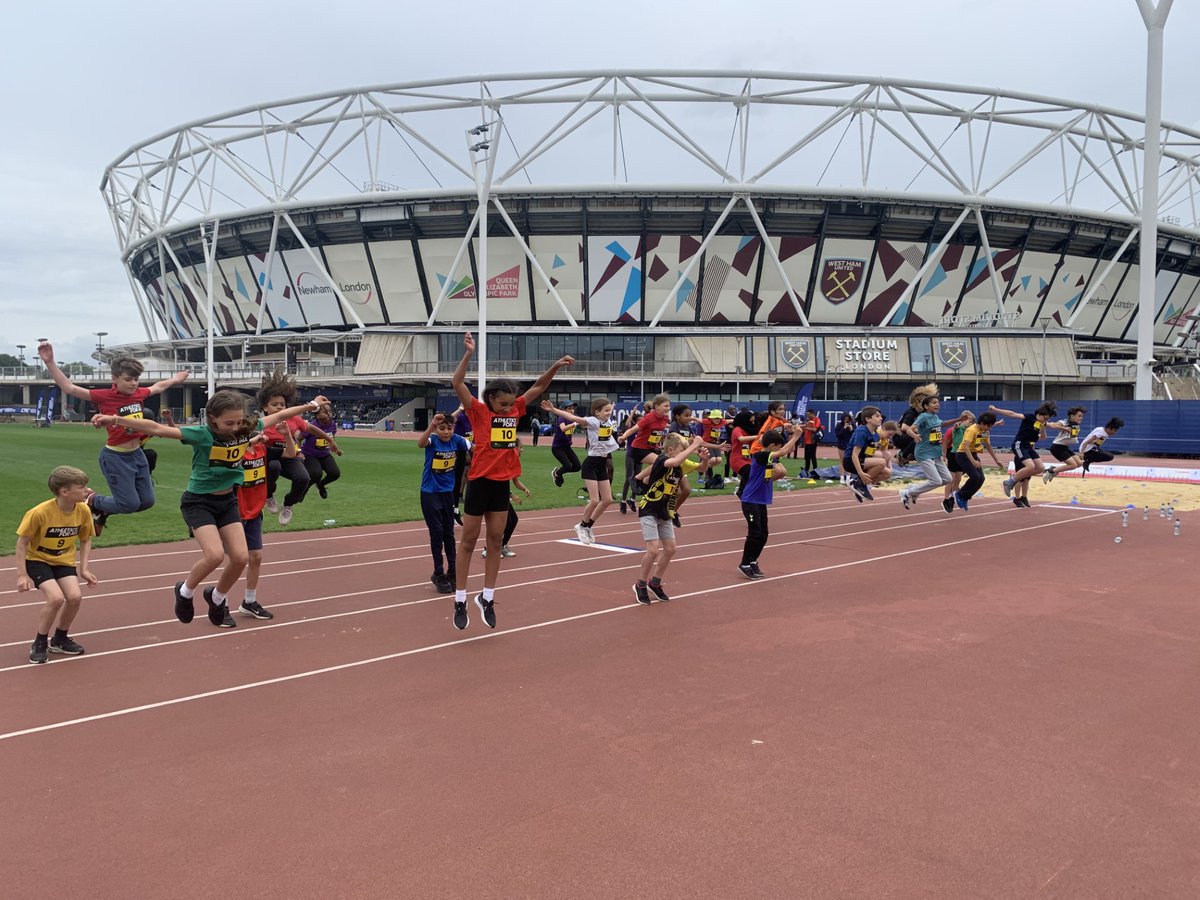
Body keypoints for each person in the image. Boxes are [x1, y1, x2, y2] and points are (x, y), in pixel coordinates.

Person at [93, 389, 328, 629]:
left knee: (240, 557)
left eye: (238, 421)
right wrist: (114, 420)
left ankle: (216, 597)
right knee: (215, 555)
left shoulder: (244, 429)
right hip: (199, 501)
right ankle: (184, 591)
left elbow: (281, 416)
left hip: (227, 502)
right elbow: (156, 429)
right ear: (212, 418)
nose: (235, 427)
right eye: (228, 423)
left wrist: (310, 405)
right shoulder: (202, 434)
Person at [450, 332, 573, 631]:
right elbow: (457, 384)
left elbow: (539, 387)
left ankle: (487, 597)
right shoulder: (477, 411)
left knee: (495, 541)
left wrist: (554, 366)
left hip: (501, 485)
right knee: (467, 542)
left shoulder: (517, 407)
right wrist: (468, 354)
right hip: (479, 482)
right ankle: (460, 598)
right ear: (490, 399)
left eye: (510, 406)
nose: (508, 410)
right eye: (502, 405)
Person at [37, 340, 188, 535]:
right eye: (128, 379)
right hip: (116, 457)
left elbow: (159, 386)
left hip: (137, 455)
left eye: (136, 379)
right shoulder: (105, 396)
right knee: (129, 504)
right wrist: (50, 362)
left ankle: (103, 510)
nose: (133, 383)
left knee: (147, 502)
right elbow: (70, 389)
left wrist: (177, 378)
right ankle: (91, 500)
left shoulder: (139, 393)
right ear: (114, 378)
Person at [16, 466, 98, 664]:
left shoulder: (83, 510)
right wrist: (21, 574)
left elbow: (86, 539)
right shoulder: (39, 513)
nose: (87, 490)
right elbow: (22, 543)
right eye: (82, 487)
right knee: (55, 598)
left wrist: (84, 568)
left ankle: (60, 639)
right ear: (64, 492)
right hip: (38, 560)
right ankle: (39, 642)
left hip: (63, 560)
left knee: (75, 597)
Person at [258, 369, 338, 526]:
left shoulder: (293, 419)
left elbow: (312, 429)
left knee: (304, 478)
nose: (279, 408)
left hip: (289, 454)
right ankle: (269, 496)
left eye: (282, 404)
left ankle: (288, 504)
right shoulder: (264, 422)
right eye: (274, 405)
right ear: (265, 408)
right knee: (273, 467)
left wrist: (330, 440)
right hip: (269, 455)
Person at [633, 433, 706, 605]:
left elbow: (702, 469)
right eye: (683, 450)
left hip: (664, 511)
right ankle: (641, 584)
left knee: (671, 548)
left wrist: (704, 460)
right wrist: (694, 446)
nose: (685, 453)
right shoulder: (662, 460)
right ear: (670, 450)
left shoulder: (681, 466)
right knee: (652, 550)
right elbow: (673, 462)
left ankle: (655, 583)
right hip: (649, 508)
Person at [541, 397, 618, 545]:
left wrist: (610, 408)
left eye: (610, 410)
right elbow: (571, 417)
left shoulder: (606, 420)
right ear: (597, 412)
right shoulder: (592, 421)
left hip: (602, 463)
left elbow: (609, 410)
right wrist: (553, 410)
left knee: (607, 499)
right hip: (591, 464)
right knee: (595, 499)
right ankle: (581, 525)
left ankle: (588, 526)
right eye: (606, 410)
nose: (609, 413)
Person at [737, 426, 802, 579]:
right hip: (750, 500)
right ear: (772, 446)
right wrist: (796, 436)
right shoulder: (761, 455)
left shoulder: (770, 457)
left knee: (763, 534)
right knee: (755, 533)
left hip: (760, 501)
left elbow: (784, 452)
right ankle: (744, 563)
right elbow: (782, 451)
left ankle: (753, 560)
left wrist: (790, 434)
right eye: (778, 446)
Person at [418, 412, 469, 594]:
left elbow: (475, 448)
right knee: (437, 534)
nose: (446, 432)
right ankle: (438, 573)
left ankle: (453, 572)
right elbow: (420, 443)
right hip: (430, 493)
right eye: (442, 428)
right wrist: (432, 426)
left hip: (448, 494)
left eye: (449, 428)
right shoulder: (433, 440)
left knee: (449, 534)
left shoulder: (457, 441)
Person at [234, 421, 275, 620]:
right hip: (236, 512)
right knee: (235, 560)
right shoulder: (235, 451)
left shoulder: (261, 448)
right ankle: (219, 600)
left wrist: (287, 435)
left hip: (255, 511)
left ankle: (249, 601)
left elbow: (290, 454)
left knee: (256, 557)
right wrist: (249, 441)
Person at [899, 397, 967, 511]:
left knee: (947, 479)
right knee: (936, 481)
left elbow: (943, 424)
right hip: (924, 453)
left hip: (935, 453)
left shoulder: (935, 417)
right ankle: (907, 492)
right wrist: (915, 436)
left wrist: (959, 419)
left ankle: (916, 491)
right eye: (934, 403)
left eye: (938, 403)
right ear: (926, 406)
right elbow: (909, 429)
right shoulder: (923, 416)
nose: (938, 405)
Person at [993, 401, 1056, 508]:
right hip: (1020, 444)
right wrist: (996, 410)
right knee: (1030, 466)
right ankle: (1009, 482)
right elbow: (1012, 414)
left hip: (1029, 447)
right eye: (1045, 418)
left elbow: (1043, 437)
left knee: (1040, 467)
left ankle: (1020, 490)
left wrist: (1044, 428)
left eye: (1047, 419)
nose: (1046, 421)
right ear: (1039, 414)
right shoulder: (1029, 417)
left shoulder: (1042, 423)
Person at [482, 455, 532, 559]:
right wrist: (512, 495)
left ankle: (502, 546)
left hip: (503, 494)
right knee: (505, 522)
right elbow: (497, 482)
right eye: (520, 447)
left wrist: (524, 489)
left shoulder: (513, 461)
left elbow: (515, 481)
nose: (522, 450)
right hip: (493, 494)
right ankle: (489, 549)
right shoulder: (502, 461)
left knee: (513, 520)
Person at [952, 411, 1003, 511]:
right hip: (963, 454)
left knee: (981, 479)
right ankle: (959, 494)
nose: (990, 429)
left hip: (973, 454)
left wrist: (997, 460)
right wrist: (973, 462)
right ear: (983, 424)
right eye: (989, 426)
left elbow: (988, 446)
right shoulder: (971, 430)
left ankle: (965, 497)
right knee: (975, 476)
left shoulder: (985, 432)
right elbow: (966, 447)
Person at [300, 401, 343, 500]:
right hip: (310, 454)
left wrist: (336, 449)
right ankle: (303, 490)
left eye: (329, 411)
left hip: (324, 454)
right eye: (325, 412)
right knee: (315, 474)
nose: (329, 414)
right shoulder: (312, 426)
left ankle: (321, 485)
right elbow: (298, 438)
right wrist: (299, 452)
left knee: (335, 473)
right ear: (317, 415)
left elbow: (330, 439)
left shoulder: (333, 425)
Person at [843, 407, 887, 501]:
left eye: (881, 416)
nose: (881, 418)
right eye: (877, 416)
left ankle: (860, 485)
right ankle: (860, 485)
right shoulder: (862, 432)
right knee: (881, 462)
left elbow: (870, 452)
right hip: (850, 461)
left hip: (862, 459)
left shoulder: (875, 435)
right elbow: (854, 454)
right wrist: (860, 473)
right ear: (868, 419)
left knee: (887, 473)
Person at [894, 383, 938, 466]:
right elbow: (904, 427)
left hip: (908, 436)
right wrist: (920, 431)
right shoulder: (911, 412)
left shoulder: (924, 413)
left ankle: (910, 455)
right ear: (917, 402)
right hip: (899, 437)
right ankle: (903, 454)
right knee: (920, 437)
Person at [941, 409, 975, 514]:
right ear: (963, 420)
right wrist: (944, 455)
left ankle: (954, 496)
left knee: (958, 478)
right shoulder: (956, 428)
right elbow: (946, 442)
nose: (971, 424)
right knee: (950, 479)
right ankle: (946, 499)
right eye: (969, 421)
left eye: (972, 422)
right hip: (954, 454)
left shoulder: (969, 430)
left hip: (962, 455)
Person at [1043, 406, 1087, 482]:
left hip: (1065, 447)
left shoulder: (1076, 425)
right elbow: (1052, 425)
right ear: (1072, 416)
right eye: (1079, 416)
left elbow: (1072, 438)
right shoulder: (1065, 422)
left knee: (1079, 463)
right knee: (1073, 465)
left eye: (1082, 416)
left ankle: (1053, 470)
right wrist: (1064, 428)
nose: (1081, 418)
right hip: (1057, 447)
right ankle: (1051, 471)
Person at [617, 404, 644, 514]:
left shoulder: (644, 430)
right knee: (629, 478)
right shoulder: (632, 429)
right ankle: (623, 501)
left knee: (637, 478)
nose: (642, 422)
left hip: (640, 456)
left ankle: (632, 500)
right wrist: (633, 412)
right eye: (639, 420)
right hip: (630, 455)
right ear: (635, 422)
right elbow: (628, 423)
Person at [549, 401, 582, 487]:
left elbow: (583, 423)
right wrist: (574, 424)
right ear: (563, 410)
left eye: (573, 408)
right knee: (567, 466)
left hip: (566, 447)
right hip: (557, 448)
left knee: (577, 467)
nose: (572, 411)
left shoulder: (574, 418)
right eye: (569, 408)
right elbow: (563, 428)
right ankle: (557, 473)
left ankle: (558, 472)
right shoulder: (562, 418)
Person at [728, 409, 758, 498]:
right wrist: (758, 437)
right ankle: (741, 491)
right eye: (751, 421)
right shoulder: (737, 429)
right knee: (748, 472)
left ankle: (746, 491)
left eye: (753, 421)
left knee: (753, 473)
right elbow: (741, 439)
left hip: (747, 458)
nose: (752, 423)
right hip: (737, 459)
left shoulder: (749, 430)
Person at [801, 409, 824, 477]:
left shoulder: (816, 419)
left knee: (813, 456)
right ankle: (806, 469)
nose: (807, 416)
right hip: (807, 441)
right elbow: (805, 427)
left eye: (808, 414)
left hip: (812, 441)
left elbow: (814, 429)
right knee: (807, 457)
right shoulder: (808, 420)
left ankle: (815, 470)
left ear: (812, 413)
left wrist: (806, 427)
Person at [834, 412, 856, 484]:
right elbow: (838, 435)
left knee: (849, 462)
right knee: (842, 461)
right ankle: (842, 478)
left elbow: (855, 434)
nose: (846, 421)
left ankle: (848, 478)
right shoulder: (839, 425)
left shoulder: (852, 424)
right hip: (841, 445)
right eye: (845, 419)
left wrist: (851, 429)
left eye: (848, 419)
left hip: (849, 445)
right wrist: (844, 428)